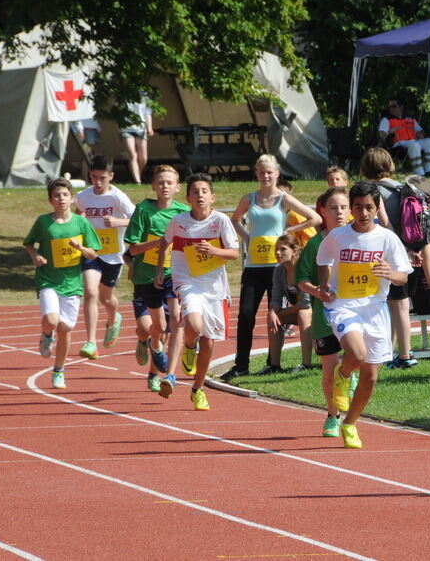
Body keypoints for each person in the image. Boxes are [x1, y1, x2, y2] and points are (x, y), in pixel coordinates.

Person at [316, 181, 413, 448]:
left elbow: (403, 276)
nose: (363, 213)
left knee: (370, 377)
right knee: (356, 355)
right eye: (358, 207)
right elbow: (323, 261)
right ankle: (343, 376)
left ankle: (349, 424)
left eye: (369, 207)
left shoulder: (387, 238)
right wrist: (325, 285)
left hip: (375, 309)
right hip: (344, 307)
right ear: (352, 208)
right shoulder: (338, 236)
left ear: (376, 207)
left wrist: (389, 274)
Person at [220, 155, 321, 379]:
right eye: (261, 172)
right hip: (253, 265)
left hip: (277, 266)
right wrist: (248, 238)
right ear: (256, 174)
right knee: (246, 315)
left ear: (276, 174)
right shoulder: (250, 199)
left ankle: (272, 362)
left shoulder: (284, 199)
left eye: (269, 172)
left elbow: (315, 218)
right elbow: (234, 219)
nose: (265, 176)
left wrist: (290, 232)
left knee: (274, 313)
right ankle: (241, 365)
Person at [156, 172, 239, 409]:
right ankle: (189, 347)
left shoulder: (220, 221)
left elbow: (233, 253)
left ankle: (198, 389)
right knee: (193, 323)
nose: (200, 195)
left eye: (204, 191)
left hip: (214, 288)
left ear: (212, 197)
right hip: (187, 282)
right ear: (188, 197)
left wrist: (213, 252)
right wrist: (161, 269)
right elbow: (164, 242)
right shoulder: (179, 221)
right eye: (195, 192)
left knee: (210, 342)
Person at [23, 177, 102, 389]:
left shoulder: (81, 223)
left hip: (72, 283)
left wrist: (80, 248)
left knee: (66, 329)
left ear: (72, 198)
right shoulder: (43, 222)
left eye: (65, 195)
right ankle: (46, 335)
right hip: (48, 279)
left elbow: (93, 253)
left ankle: (58, 371)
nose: (61, 199)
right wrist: (35, 257)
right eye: (56, 195)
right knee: (51, 318)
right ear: (50, 200)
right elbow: (29, 243)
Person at [123, 164, 190, 393]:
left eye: (169, 182)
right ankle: (146, 342)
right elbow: (131, 250)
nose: (164, 186)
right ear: (153, 185)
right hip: (145, 278)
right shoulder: (143, 210)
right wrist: (160, 242)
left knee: (168, 325)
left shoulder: (182, 213)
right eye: (160, 182)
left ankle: (154, 373)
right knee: (150, 328)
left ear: (177, 187)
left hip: (172, 275)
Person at [296, 186, 350, 437]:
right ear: (322, 211)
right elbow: (302, 281)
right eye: (333, 208)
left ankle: (349, 377)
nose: (339, 212)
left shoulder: (360, 239)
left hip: (354, 312)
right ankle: (332, 414)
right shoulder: (315, 244)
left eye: (343, 207)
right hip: (324, 315)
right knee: (329, 369)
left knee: (355, 358)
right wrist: (319, 292)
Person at [74, 155, 135, 360]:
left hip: (113, 255)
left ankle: (113, 318)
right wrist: (78, 221)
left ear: (111, 176)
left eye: (102, 178)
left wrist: (118, 221)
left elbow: (136, 220)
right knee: (90, 291)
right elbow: (75, 215)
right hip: (91, 252)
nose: (98, 183)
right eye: (93, 177)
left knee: (106, 298)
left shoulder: (118, 197)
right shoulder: (83, 196)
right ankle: (91, 342)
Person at [359, 147, 415, 369]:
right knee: (401, 305)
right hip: (409, 252)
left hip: (385, 253)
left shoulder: (374, 192)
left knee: (386, 305)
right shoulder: (403, 189)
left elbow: (384, 223)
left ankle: (396, 354)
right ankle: (401, 353)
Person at [268, 234, 312, 371]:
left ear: (295, 250)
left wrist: (280, 313)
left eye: (283, 249)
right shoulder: (279, 271)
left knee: (303, 314)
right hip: (301, 310)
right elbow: (276, 298)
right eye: (276, 249)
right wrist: (272, 312)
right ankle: (274, 365)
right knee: (273, 318)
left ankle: (306, 364)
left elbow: (306, 303)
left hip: (320, 312)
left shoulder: (305, 267)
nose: (277, 253)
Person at [378, 97, 430, 176]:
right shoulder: (387, 119)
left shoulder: (410, 119)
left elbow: (420, 130)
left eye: (394, 106)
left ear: (401, 107)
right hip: (398, 144)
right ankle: (419, 173)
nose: (391, 108)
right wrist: (389, 134)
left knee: (429, 141)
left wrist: (420, 134)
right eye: (389, 107)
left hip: (413, 141)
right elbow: (381, 132)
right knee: (415, 145)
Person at [119, 100, 154, 184]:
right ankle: (137, 181)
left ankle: (137, 175)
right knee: (133, 155)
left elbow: (148, 113)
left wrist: (149, 127)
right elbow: (118, 112)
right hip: (126, 128)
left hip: (141, 128)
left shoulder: (144, 96)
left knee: (143, 158)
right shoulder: (121, 96)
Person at [277, 176, 317, 249]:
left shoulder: (295, 214)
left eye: (281, 195)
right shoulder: (277, 213)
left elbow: (311, 236)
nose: (277, 198)